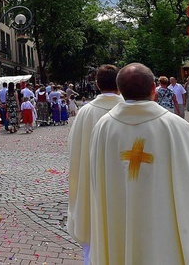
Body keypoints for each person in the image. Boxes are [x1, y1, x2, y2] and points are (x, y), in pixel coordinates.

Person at [88, 63, 189, 265]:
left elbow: (96, 180)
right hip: (165, 227)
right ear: (154, 89)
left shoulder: (103, 127)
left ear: (121, 91)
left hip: (119, 222)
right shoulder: (176, 126)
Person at [67, 64, 124, 265]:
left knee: (94, 237)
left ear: (97, 84)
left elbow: (74, 149)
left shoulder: (86, 112)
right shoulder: (129, 109)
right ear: (118, 83)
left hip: (93, 186)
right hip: (126, 186)